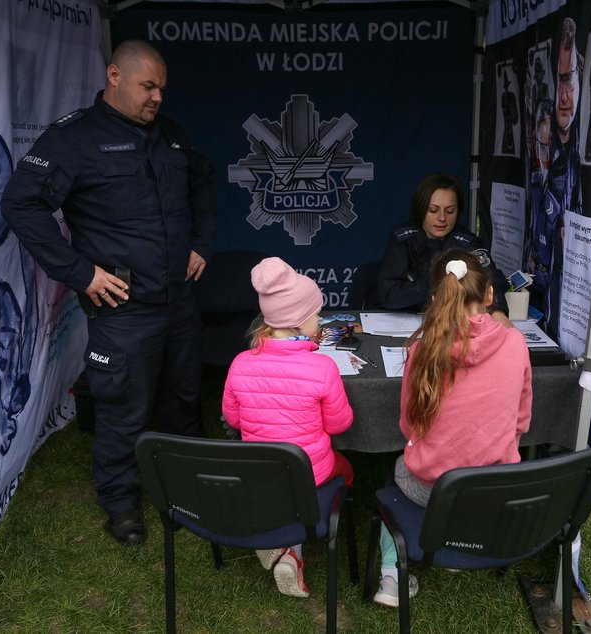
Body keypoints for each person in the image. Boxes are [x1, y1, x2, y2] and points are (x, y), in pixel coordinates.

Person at [0, 40, 216, 546]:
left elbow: (202, 184)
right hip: (123, 308)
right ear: (114, 76)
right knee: (124, 408)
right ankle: (121, 503)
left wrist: (201, 244)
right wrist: (81, 273)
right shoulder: (73, 139)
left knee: (183, 397)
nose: (158, 97)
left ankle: (188, 489)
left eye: (162, 88)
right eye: (148, 86)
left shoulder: (170, 135)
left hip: (178, 301)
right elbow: (20, 204)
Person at [371, 249, 533, 607]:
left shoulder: (421, 350)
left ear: (436, 296)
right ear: (490, 295)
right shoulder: (516, 343)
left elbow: (408, 426)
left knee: (396, 471)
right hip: (493, 485)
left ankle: (391, 575)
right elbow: (522, 419)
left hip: (436, 487)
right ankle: (462, 534)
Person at [222, 257, 354, 599]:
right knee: (347, 473)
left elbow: (233, 420)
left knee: (284, 481)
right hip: (311, 473)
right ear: (299, 320)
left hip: (261, 470)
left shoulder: (239, 363)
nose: (321, 320)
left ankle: (283, 546)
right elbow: (341, 424)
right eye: (317, 314)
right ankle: (293, 548)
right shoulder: (323, 367)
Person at [377, 173, 510, 322]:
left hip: (456, 324)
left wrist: (498, 311)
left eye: (450, 211)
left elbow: (491, 279)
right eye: (433, 210)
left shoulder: (467, 242)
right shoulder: (403, 239)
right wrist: (437, 280)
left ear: (458, 212)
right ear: (421, 210)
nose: (442, 218)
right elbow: (390, 295)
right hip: (406, 322)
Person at [526, 98, 563, 336]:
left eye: (547, 149)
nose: (542, 158)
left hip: (552, 288)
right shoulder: (533, 182)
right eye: (539, 148)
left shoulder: (561, 186)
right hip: (532, 284)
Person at [549, 17, 583, 217]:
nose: (563, 96)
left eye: (568, 81)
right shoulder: (544, 150)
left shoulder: (584, 152)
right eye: (559, 82)